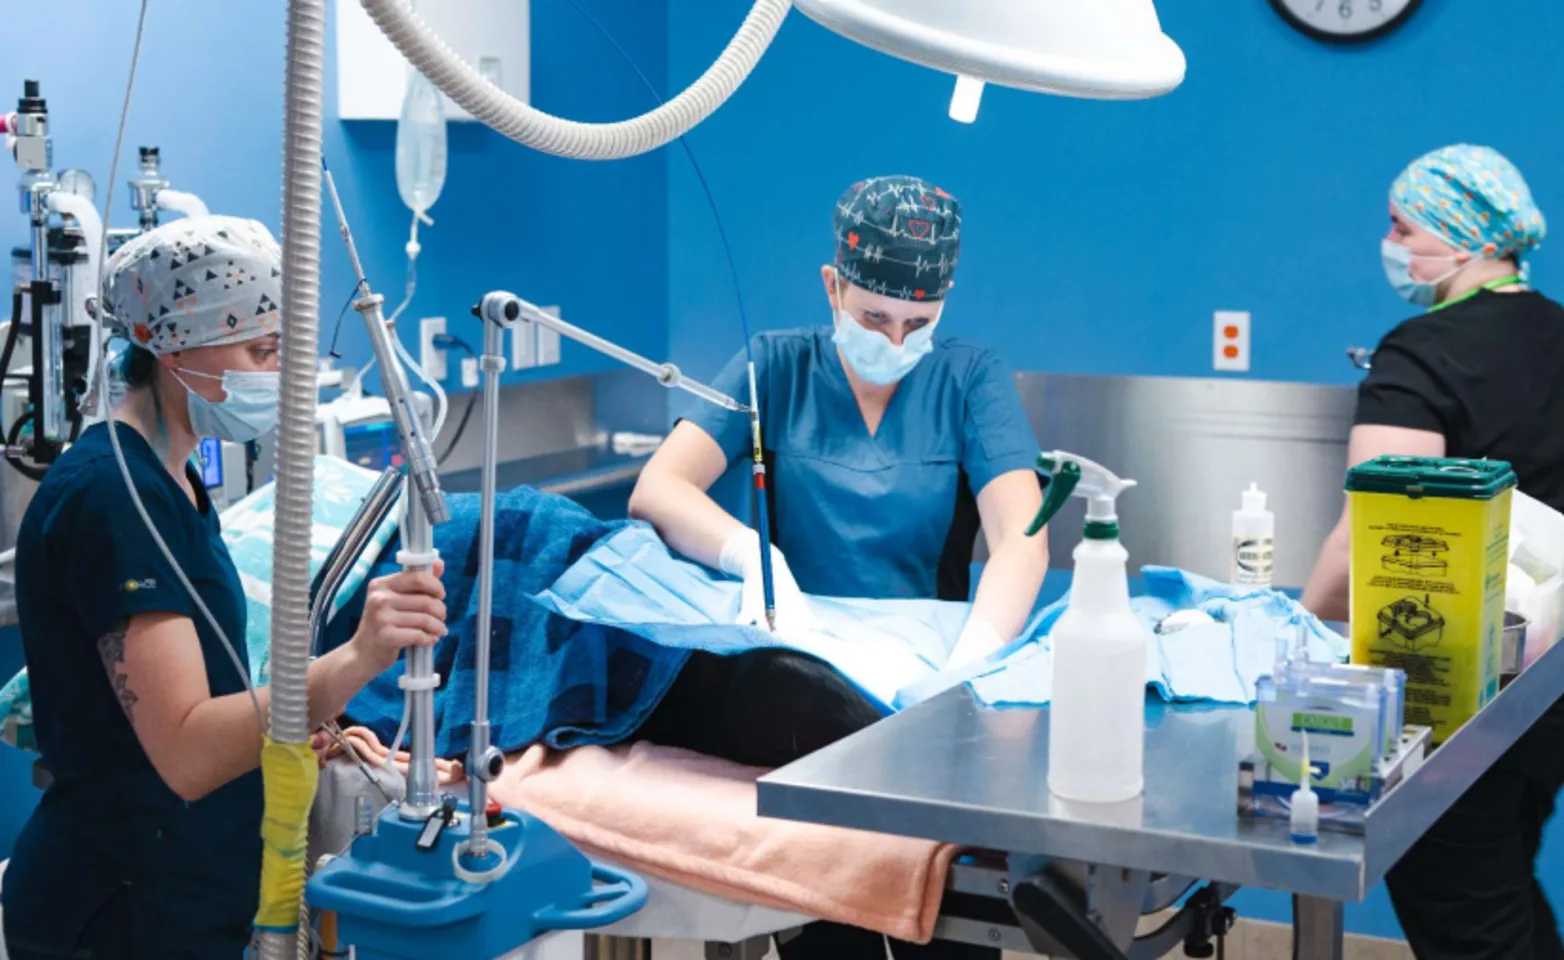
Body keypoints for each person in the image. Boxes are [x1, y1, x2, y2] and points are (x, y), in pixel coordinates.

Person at [2, 216, 448, 960]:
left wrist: (300, 723)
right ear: (167, 343)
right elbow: (186, 751)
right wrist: (358, 658)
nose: (273, 374)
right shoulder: (115, 497)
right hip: (121, 910)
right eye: (258, 350)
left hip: (184, 890)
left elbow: (205, 684)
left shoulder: (171, 477)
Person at [629, 175, 1048, 959]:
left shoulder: (969, 378)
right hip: (808, 707)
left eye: (918, 322)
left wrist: (972, 664)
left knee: (948, 924)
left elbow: (1022, 538)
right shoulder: (776, 367)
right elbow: (659, 487)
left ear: (945, 300)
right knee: (830, 929)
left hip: (929, 698)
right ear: (833, 285)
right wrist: (756, 567)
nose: (896, 342)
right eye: (874, 318)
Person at [1300, 145, 1564, 958]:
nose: (1391, 243)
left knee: (1467, 921)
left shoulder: (1422, 352)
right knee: (1502, 883)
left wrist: (1294, 633)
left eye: (1402, 225)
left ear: (1463, 235)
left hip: (1451, 696)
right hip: (1549, 684)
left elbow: (1367, 548)